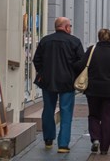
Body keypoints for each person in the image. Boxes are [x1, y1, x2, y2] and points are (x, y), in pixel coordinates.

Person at [32, 17, 84, 153]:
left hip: (48, 81)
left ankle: (48, 139)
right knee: (66, 111)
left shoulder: (45, 41)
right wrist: (73, 73)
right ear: (66, 27)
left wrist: (43, 72)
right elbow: (81, 62)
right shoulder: (74, 42)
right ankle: (63, 144)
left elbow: (36, 59)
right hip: (67, 82)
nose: (71, 28)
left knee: (48, 109)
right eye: (70, 26)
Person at [76, 28, 110, 155]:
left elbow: (80, 65)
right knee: (108, 118)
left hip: (93, 90)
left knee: (94, 115)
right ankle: (105, 147)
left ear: (99, 37)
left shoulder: (92, 50)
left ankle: (95, 138)